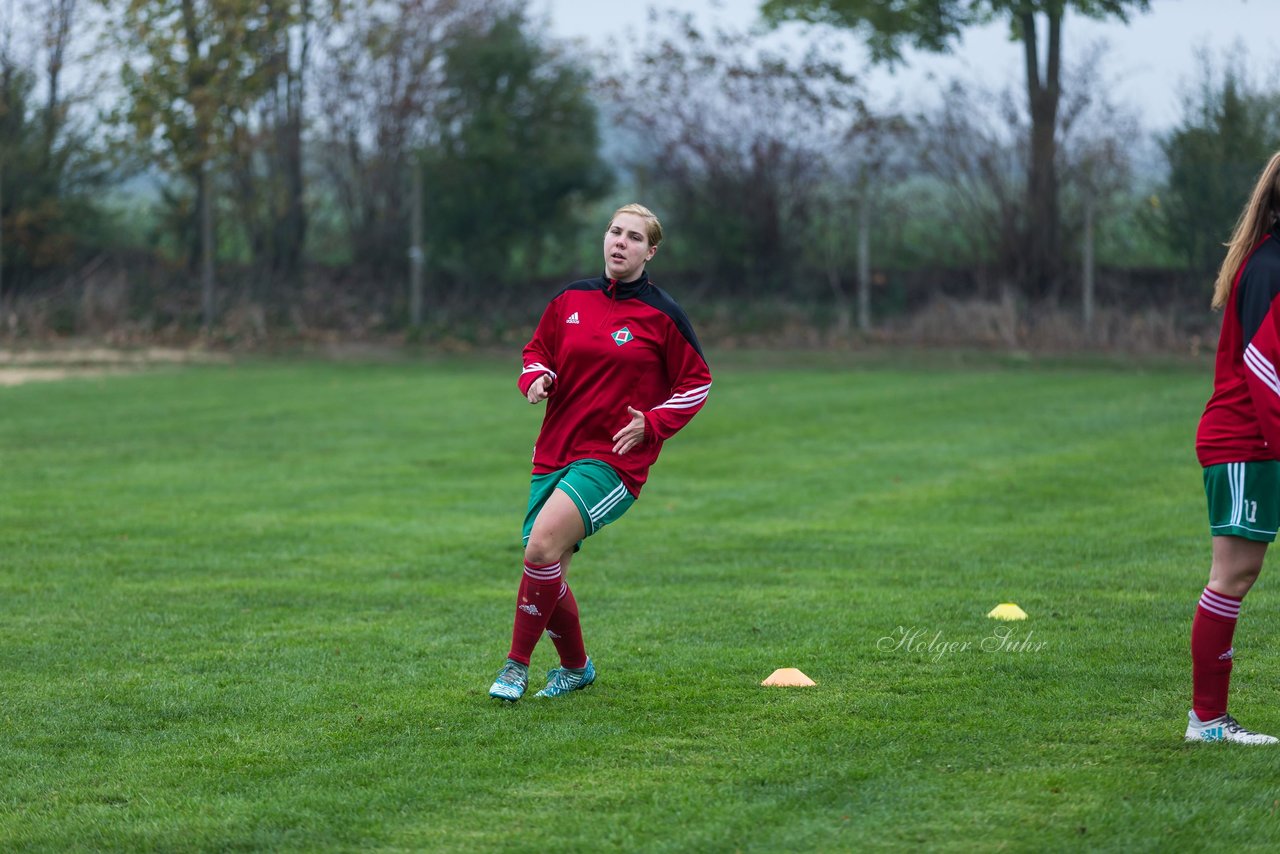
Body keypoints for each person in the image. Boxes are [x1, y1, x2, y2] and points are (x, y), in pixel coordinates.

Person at [488, 203, 712, 701]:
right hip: (554, 450)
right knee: (548, 569)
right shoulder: (571, 298)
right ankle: (576, 668)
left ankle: (514, 668)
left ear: (650, 252)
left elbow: (697, 383)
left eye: (634, 238)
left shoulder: (663, 314)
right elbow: (536, 350)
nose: (620, 243)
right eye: (615, 232)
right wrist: (535, 377)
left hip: (613, 460)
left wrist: (652, 424)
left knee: (540, 547)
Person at [1190, 151, 1280, 744]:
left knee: (1238, 573)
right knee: (1234, 575)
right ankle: (1208, 722)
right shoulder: (1273, 264)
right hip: (1246, 441)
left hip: (1259, 440)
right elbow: (1264, 368)